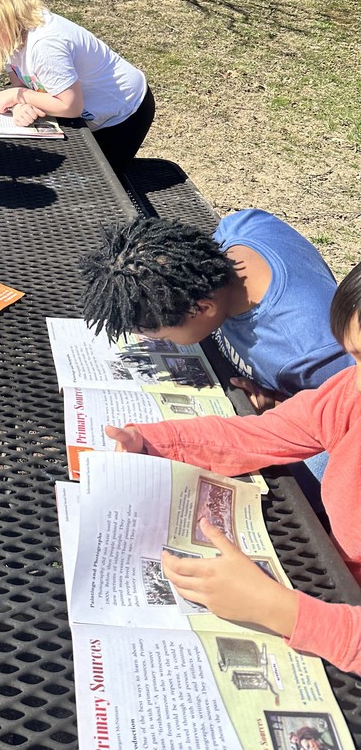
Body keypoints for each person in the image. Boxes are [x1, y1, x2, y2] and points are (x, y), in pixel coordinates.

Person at [104, 261, 361, 676]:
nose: (356, 380)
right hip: (331, 579)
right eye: (355, 357)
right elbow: (267, 434)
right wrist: (153, 441)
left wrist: (278, 610)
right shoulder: (350, 395)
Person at [80, 211, 352, 411]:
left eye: (164, 338)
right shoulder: (239, 227)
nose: (157, 343)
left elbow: (349, 412)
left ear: (202, 308)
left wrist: (281, 405)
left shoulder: (312, 352)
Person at [0, 0, 154, 170]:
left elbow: (71, 106)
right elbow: (20, 81)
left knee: (96, 182)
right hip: (89, 113)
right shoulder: (13, 35)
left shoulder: (45, 44)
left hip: (123, 114)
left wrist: (20, 96)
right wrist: (20, 104)